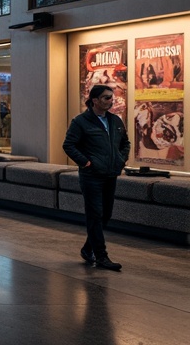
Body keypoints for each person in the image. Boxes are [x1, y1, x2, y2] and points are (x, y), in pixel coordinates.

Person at [63, 84, 129, 272]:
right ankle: (101, 256)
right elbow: (69, 145)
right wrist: (85, 162)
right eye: (106, 98)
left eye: (111, 97)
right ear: (94, 100)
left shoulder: (115, 120)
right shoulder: (81, 122)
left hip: (110, 174)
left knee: (105, 214)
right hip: (91, 176)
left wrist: (121, 160)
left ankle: (87, 248)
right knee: (95, 215)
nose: (111, 101)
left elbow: (125, 142)